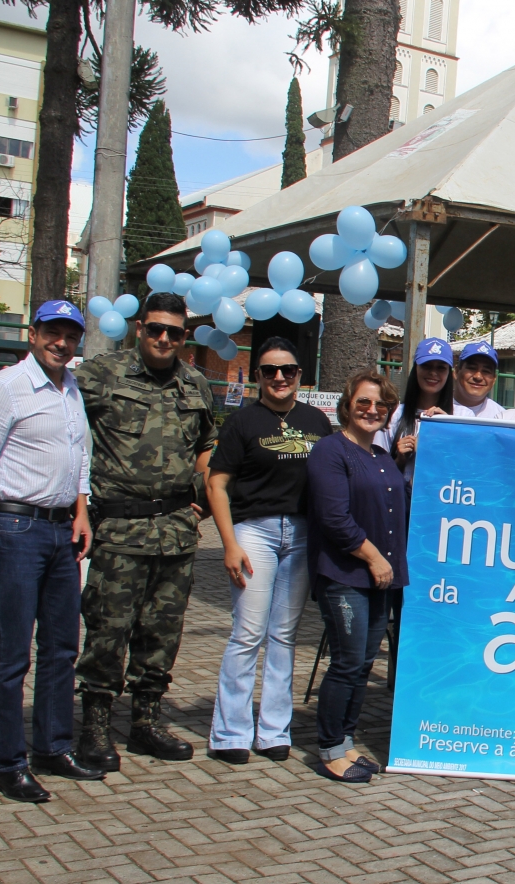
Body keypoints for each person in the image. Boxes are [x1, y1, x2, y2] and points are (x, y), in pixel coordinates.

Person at [0, 300, 102, 802]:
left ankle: (53, 746)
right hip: (15, 529)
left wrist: (81, 513)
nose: (62, 342)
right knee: (12, 651)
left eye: (70, 335)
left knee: (62, 647)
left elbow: (79, 459)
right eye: (53, 333)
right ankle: (7, 762)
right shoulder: (4, 388)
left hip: (62, 532)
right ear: (33, 334)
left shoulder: (71, 389)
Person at [74, 291, 216, 771]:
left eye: (173, 332)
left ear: (183, 336)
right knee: (107, 630)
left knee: (161, 632)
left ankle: (145, 722)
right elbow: (56, 408)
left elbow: (207, 447)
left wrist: (198, 506)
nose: (163, 338)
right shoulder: (101, 375)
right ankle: (94, 725)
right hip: (119, 529)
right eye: (155, 328)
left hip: (176, 532)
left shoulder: (194, 384)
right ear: (139, 328)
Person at [205, 337, 333, 765]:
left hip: (300, 534)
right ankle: (230, 734)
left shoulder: (317, 421)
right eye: (270, 371)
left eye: (289, 370)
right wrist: (228, 543)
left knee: (283, 636)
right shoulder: (242, 423)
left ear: (301, 375)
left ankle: (274, 731)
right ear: (258, 376)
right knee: (247, 634)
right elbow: (217, 484)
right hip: (253, 534)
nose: (280, 377)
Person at [306, 371, 409, 782]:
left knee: (364, 663)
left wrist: (387, 566)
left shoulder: (382, 457)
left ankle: (346, 744)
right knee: (346, 663)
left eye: (380, 405)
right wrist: (373, 558)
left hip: (380, 580)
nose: (372, 410)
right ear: (347, 406)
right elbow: (335, 519)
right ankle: (330, 748)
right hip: (345, 574)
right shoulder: (330, 451)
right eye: (363, 402)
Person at [382, 336, 455, 488]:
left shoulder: (462, 417)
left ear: (450, 373)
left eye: (441, 367)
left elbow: (467, 468)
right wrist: (399, 460)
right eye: (427, 366)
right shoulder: (395, 414)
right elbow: (378, 473)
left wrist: (449, 429)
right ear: (415, 368)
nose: (433, 373)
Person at [451, 341, 507, 419]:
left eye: (486, 371)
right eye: (472, 368)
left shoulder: (501, 418)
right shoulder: (434, 408)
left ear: (494, 379)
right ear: (456, 372)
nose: (478, 377)